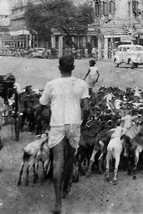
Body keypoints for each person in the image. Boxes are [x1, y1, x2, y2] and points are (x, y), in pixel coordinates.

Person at [39, 55, 90, 213]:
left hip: (57, 125)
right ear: (73, 68)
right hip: (74, 124)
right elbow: (87, 108)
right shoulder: (81, 83)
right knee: (70, 159)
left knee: (58, 162)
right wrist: (82, 121)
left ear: (59, 68)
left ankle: (58, 203)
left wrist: (42, 117)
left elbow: (41, 106)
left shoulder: (51, 84)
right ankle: (66, 187)